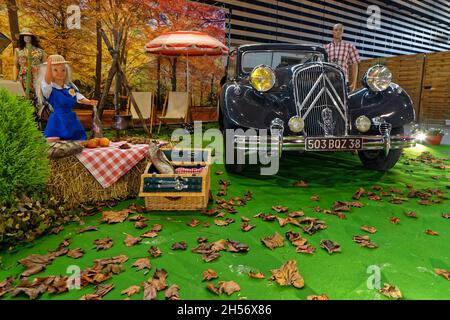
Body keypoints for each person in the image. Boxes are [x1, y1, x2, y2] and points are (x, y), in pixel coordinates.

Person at [36, 55, 97, 141]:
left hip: (71, 119)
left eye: (63, 70)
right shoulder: (49, 89)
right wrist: (49, 66)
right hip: (57, 120)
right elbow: (47, 81)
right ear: (48, 72)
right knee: (56, 142)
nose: (60, 73)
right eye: (55, 70)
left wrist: (88, 102)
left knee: (77, 140)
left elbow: (78, 96)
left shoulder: (69, 87)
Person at [324, 23, 361, 91]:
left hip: (343, 81)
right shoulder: (325, 48)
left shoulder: (349, 46)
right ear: (332, 32)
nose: (338, 32)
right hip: (328, 81)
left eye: (340, 30)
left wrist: (354, 83)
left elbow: (354, 65)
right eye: (336, 30)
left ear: (342, 31)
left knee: (343, 101)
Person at [13, 28, 46, 101]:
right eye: (24, 36)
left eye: (29, 36)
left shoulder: (40, 51)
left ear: (32, 38)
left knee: (36, 98)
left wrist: (44, 79)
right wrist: (14, 79)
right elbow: (15, 65)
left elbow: (44, 66)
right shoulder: (18, 50)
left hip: (36, 77)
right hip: (23, 78)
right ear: (22, 38)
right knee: (23, 97)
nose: (27, 38)